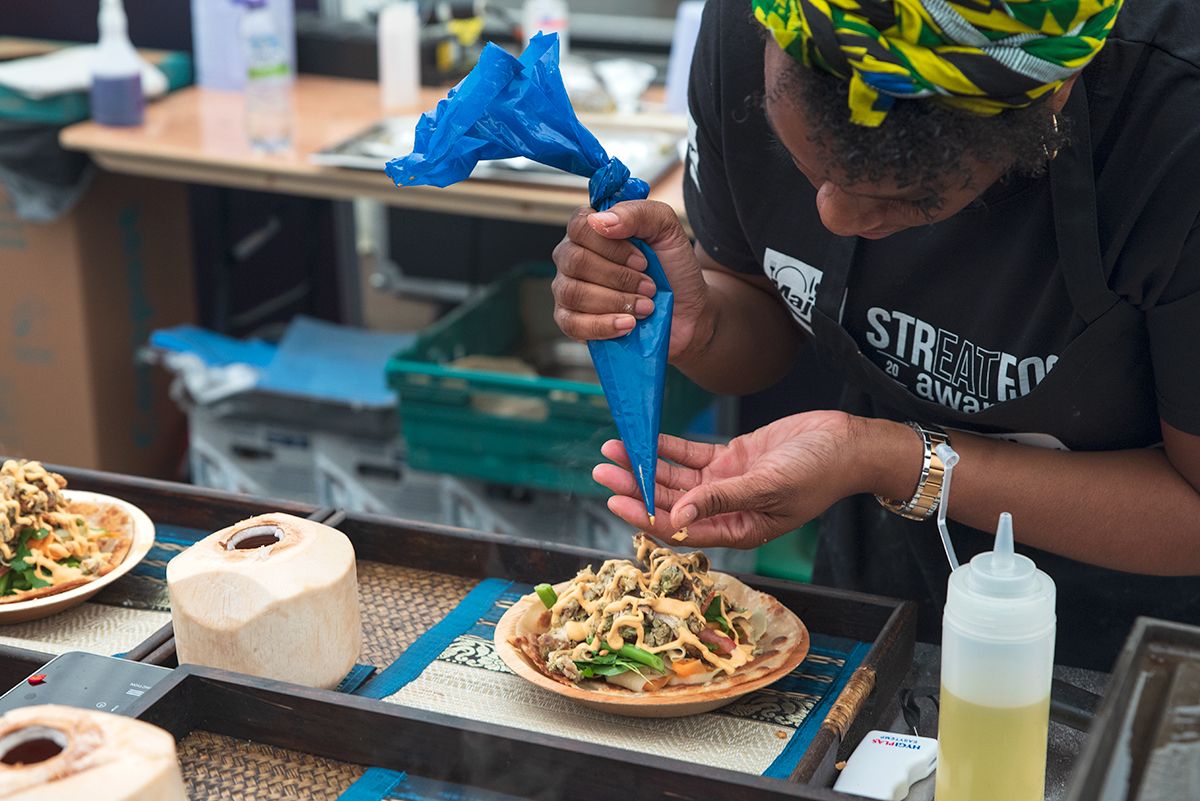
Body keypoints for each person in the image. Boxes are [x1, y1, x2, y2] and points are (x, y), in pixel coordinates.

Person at [550, 0, 1200, 672]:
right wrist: (703, 324)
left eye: (909, 200)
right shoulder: (753, 25)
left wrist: (891, 459)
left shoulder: (1176, 121)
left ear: (1052, 100)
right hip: (888, 585)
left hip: (1141, 637)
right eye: (806, 168)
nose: (835, 216)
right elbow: (761, 301)